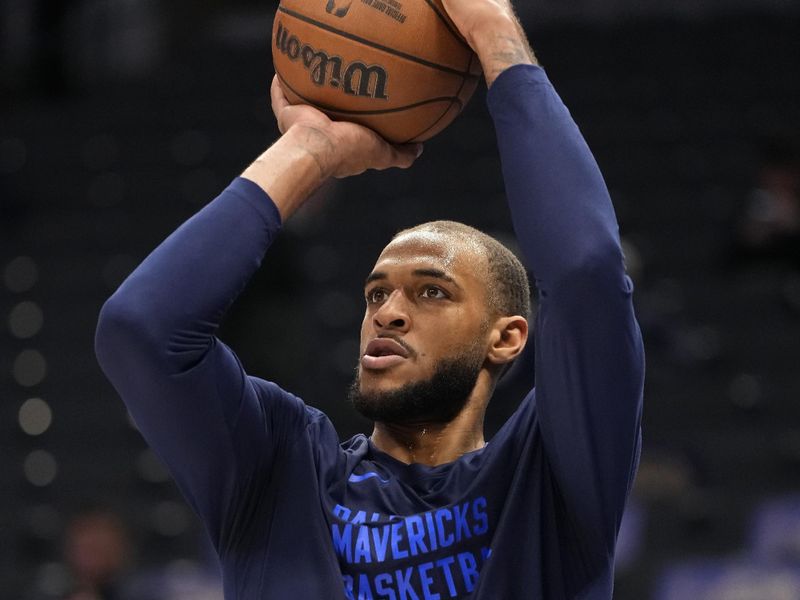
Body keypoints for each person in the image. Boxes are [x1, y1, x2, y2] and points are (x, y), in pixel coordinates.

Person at [95, 0, 645, 597]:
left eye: (432, 291)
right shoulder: (282, 470)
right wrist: (308, 150)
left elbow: (587, 270)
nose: (388, 311)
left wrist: (495, 36)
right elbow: (141, 331)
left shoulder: (547, 479)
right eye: (375, 293)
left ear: (508, 337)